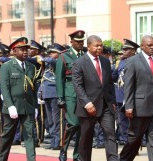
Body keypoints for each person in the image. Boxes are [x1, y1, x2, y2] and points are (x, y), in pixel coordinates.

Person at [119, 35, 153, 161]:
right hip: (139, 108)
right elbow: (129, 86)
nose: (152, 47)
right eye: (149, 45)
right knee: (134, 139)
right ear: (142, 46)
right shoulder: (133, 61)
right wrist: (129, 106)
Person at [72, 35, 119, 161]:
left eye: (101, 45)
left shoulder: (105, 61)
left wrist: (112, 101)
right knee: (86, 137)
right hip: (88, 107)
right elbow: (78, 85)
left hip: (106, 106)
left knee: (110, 134)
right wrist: (87, 103)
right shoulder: (79, 63)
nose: (99, 48)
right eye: (96, 45)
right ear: (89, 46)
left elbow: (109, 83)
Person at [0, 37, 38, 161]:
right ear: (14, 51)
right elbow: (4, 88)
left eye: (26, 49)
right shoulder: (7, 66)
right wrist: (10, 105)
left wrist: (35, 106)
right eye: (22, 49)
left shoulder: (31, 66)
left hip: (28, 107)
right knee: (7, 137)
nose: (25, 52)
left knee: (30, 136)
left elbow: (33, 89)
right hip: (13, 108)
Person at [56, 30, 85, 161]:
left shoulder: (85, 55)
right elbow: (59, 78)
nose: (80, 43)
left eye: (82, 41)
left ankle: (77, 154)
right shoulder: (64, 56)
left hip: (83, 94)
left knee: (82, 125)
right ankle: (64, 149)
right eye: (78, 41)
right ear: (71, 42)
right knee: (73, 123)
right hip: (70, 94)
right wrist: (60, 97)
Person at [112, 38, 140, 145]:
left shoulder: (138, 61)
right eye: (123, 49)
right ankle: (125, 140)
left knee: (133, 122)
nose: (124, 51)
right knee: (122, 121)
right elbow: (114, 77)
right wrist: (115, 66)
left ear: (133, 50)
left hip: (132, 96)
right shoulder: (121, 62)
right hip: (120, 95)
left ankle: (134, 142)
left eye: (126, 49)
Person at [40, 43, 66, 150]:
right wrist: (40, 93)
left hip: (55, 94)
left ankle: (59, 142)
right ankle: (53, 141)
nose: (50, 54)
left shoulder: (58, 62)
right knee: (50, 120)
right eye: (50, 53)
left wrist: (41, 57)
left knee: (58, 120)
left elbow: (51, 61)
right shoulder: (47, 64)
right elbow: (43, 79)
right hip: (47, 94)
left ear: (59, 54)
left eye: (53, 52)